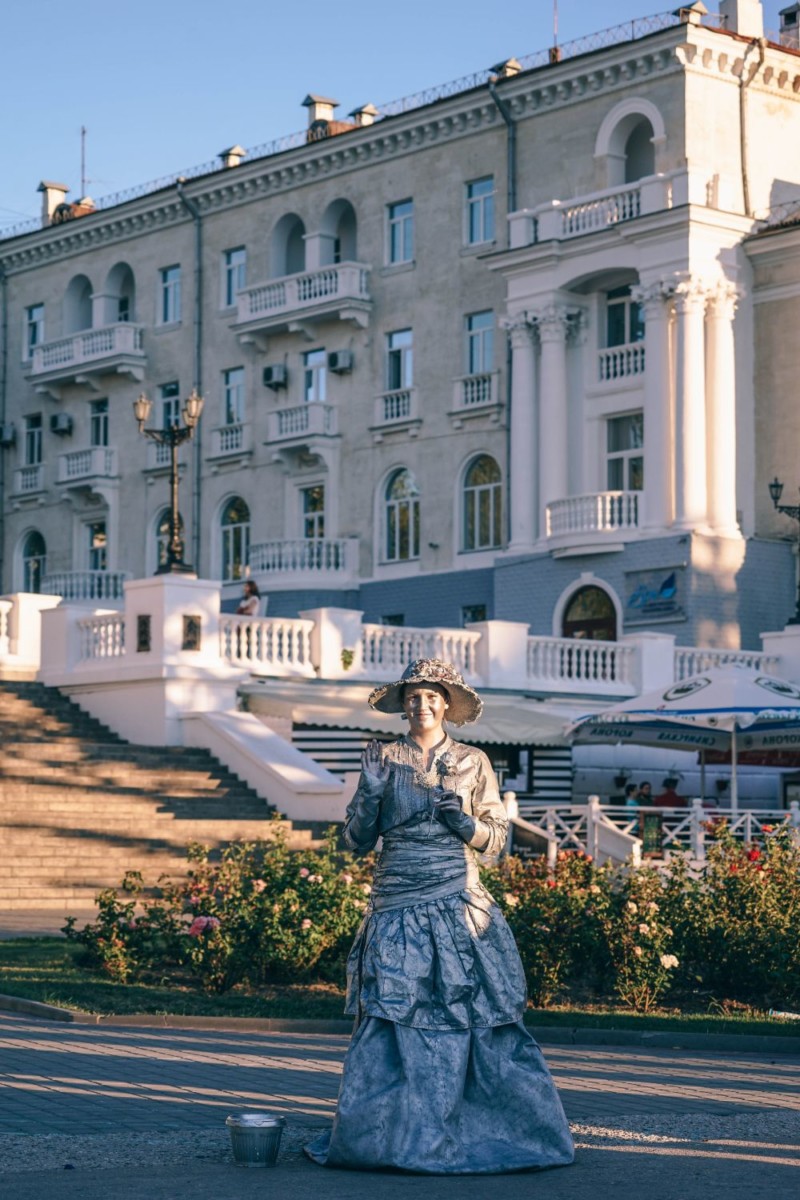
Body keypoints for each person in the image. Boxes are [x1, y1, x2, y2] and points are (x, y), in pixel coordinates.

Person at [305, 659, 574, 1175]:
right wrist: (374, 791)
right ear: (402, 703)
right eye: (412, 696)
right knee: (395, 1014)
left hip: (458, 901)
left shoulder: (474, 761)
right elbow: (354, 842)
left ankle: (479, 1130)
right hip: (396, 904)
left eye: (430, 696)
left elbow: (496, 843)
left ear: (446, 703)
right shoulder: (381, 757)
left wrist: (463, 822)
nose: (420, 704)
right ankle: (393, 1138)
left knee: (471, 1013)